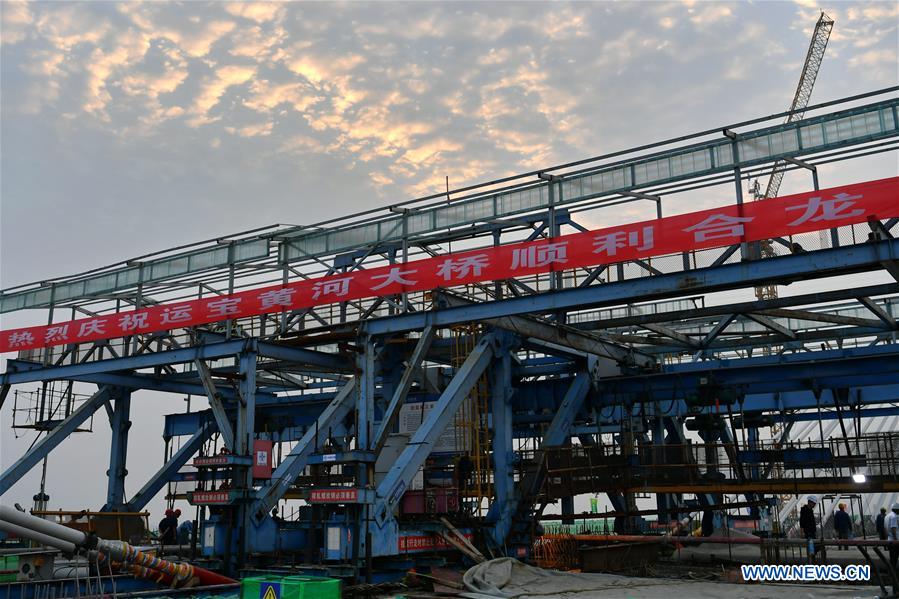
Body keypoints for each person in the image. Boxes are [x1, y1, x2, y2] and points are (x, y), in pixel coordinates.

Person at [887, 502, 899, 570]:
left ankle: (892, 572)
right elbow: (893, 529)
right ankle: (894, 573)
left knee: (892, 558)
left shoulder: (887, 516)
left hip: (889, 540)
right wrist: (896, 540)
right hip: (895, 541)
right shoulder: (894, 516)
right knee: (895, 557)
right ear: (896, 509)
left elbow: (885, 529)